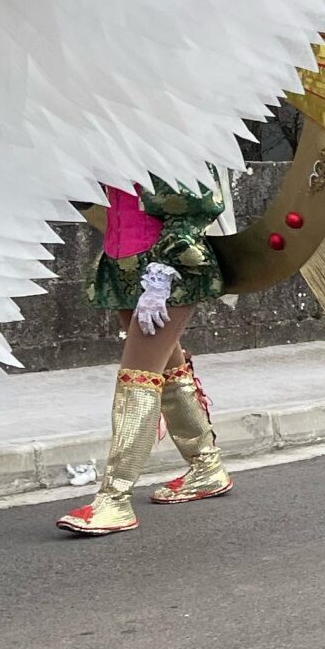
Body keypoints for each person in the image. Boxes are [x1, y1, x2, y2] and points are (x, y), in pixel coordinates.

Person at [58, 176, 233, 535]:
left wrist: (163, 273)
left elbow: (197, 198)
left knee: (138, 377)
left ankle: (115, 499)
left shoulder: (173, 125)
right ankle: (206, 467)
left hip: (167, 271)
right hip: (125, 266)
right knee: (166, 366)